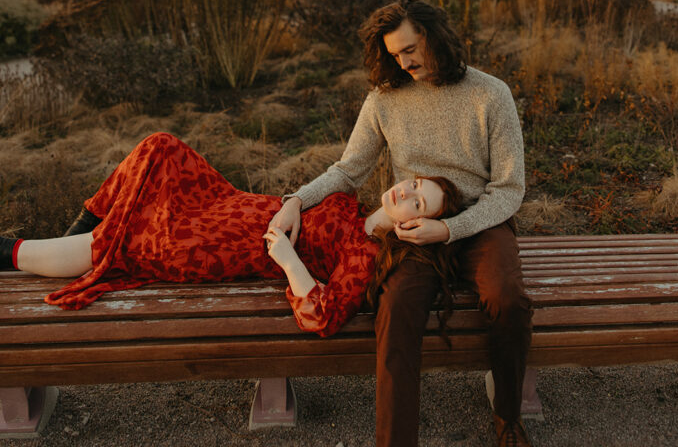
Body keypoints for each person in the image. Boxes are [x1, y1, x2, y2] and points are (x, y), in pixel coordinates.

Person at [269, 0, 533, 447]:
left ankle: (507, 418)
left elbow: (509, 189)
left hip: (483, 223)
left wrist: (451, 229)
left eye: (410, 49)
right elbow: (349, 168)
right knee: (393, 312)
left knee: (507, 300)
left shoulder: (491, 93)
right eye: (394, 54)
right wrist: (296, 199)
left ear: (435, 36)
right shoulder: (385, 100)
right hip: (412, 230)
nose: (404, 62)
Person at [0, 132, 462, 338]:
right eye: (416, 184)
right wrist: (293, 201)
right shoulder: (355, 202)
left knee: (134, 239)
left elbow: (321, 315)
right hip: (231, 204)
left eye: (417, 202)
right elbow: (327, 178)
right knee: (161, 146)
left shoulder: (364, 254)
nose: (406, 189)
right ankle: (81, 229)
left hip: (226, 245)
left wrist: (286, 259)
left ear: (413, 226)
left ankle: (12, 252)